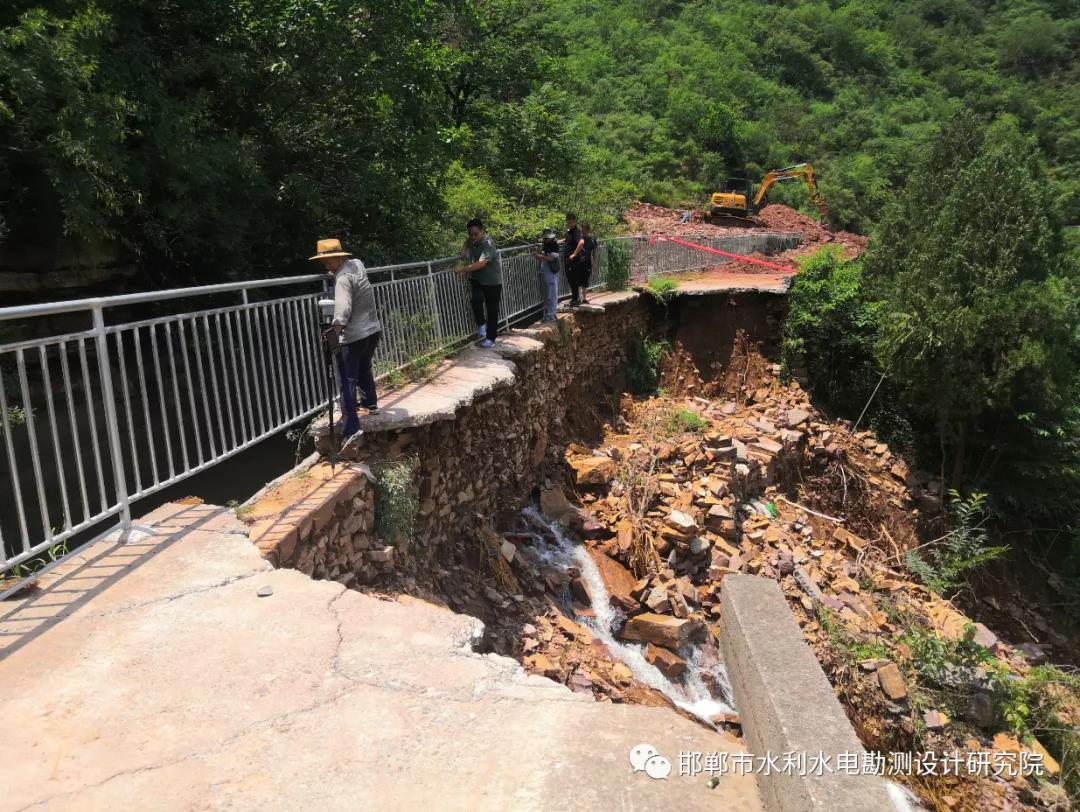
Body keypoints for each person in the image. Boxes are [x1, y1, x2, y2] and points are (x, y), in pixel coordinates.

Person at [312, 238, 382, 438]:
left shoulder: (342, 279)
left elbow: (343, 311)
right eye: (323, 262)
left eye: (328, 261)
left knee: (347, 379)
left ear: (338, 258)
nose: (326, 266)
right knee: (364, 367)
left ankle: (351, 428)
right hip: (372, 330)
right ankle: (371, 404)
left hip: (354, 335)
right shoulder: (357, 264)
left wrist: (333, 332)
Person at [457, 218, 502, 347]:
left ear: (483, 231)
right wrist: (464, 251)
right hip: (476, 278)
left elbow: (482, 263)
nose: (473, 237)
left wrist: (463, 269)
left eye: (476, 234)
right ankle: (481, 325)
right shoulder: (471, 240)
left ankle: (491, 338)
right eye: (471, 234)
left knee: (492, 309)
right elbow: (465, 248)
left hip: (492, 281)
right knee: (476, 301)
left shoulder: (489, 244)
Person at [532, 228, 561, 322]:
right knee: (546, 295)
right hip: (544, 271)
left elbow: (551, 258)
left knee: (551, 295)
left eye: (547, 238)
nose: (546, 239)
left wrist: (540, 255)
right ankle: (548, 315)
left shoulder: (554, 245)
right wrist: (538, 254)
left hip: (551, 272)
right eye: (545, 238)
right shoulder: (545, 244)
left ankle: (551, 315)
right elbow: (543, 258)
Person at [562, 212, 585, 307]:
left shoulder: (576, 231)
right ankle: (575, 298)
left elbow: (581, 242)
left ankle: (575, 300)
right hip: (568, 259)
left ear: (575, 222)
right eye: (568, 222)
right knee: (571, 279)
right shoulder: (569, 231)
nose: (569, 224)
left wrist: (574, 254)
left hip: (573, 260)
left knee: (573, 279)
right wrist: (563, 241)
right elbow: (570, 241)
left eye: (571, 222)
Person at [579, 222, 598, 305]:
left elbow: (594, 252)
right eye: (582, 230)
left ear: (588, 230)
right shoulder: (579, 239)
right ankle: (578, 298)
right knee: (578, 280)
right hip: (578, 262)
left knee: (585, 280)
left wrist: (594, 262)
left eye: (584, 230)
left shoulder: (592, 240)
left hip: (587, 262)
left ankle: (584, 298)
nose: (583, 232)